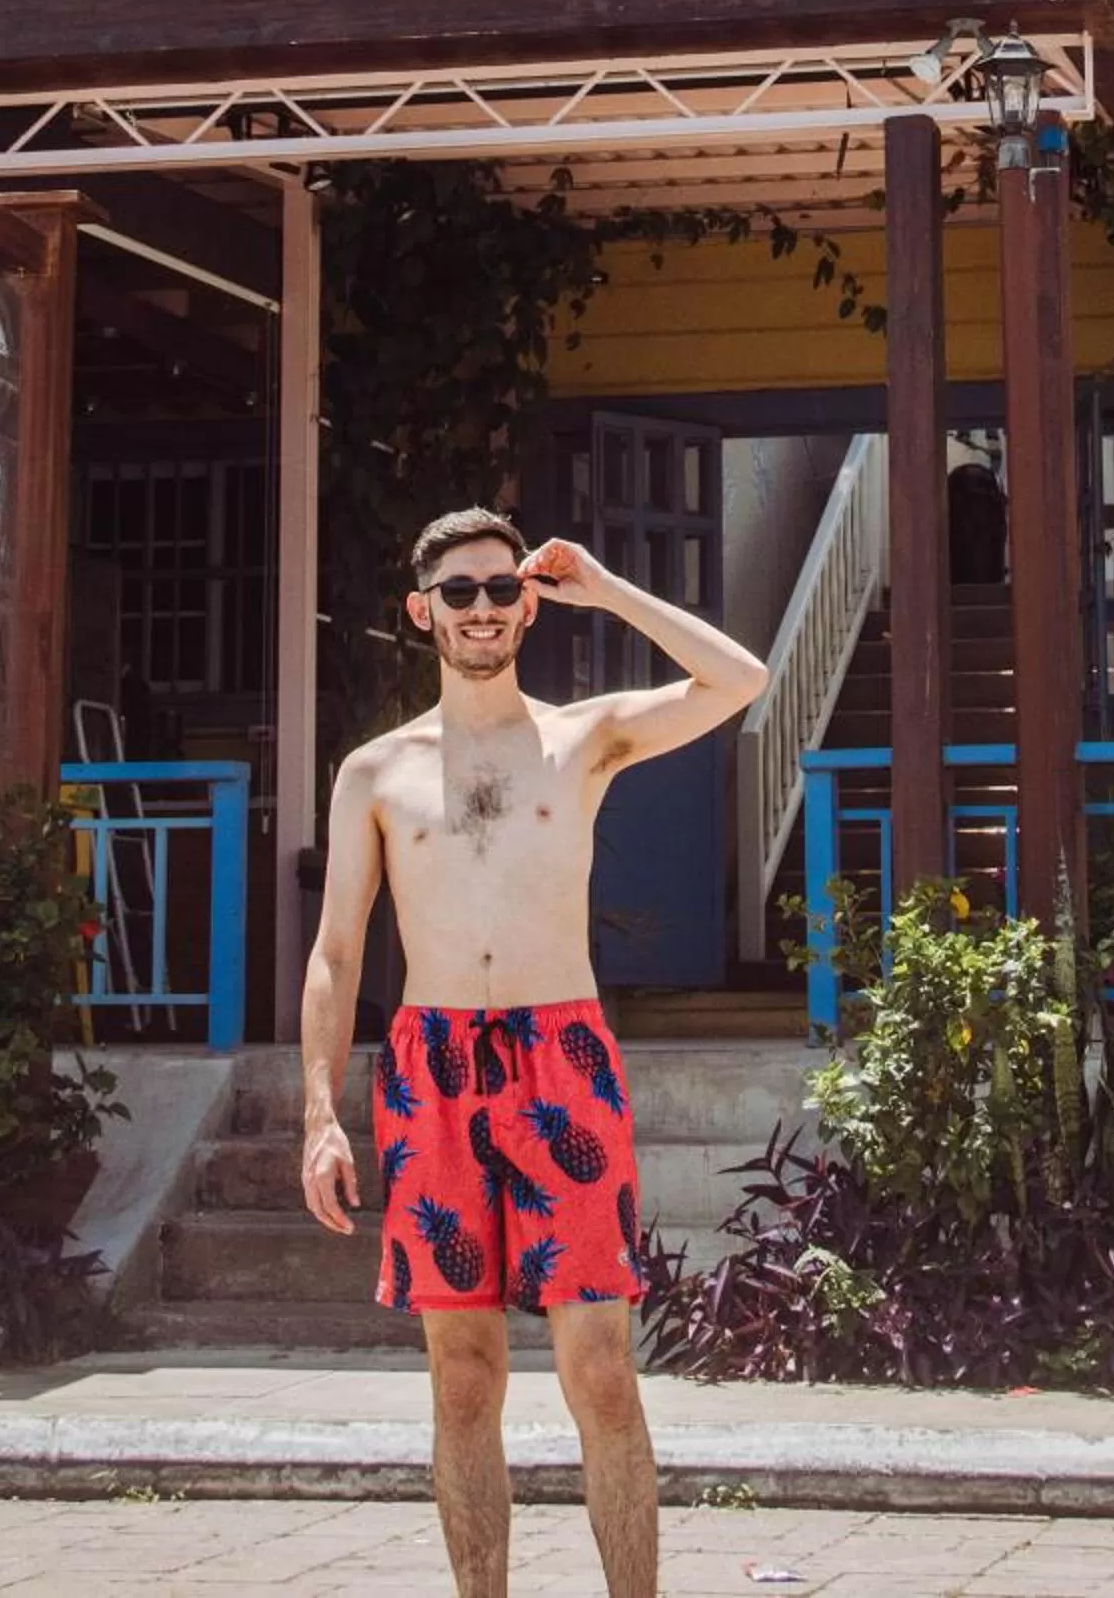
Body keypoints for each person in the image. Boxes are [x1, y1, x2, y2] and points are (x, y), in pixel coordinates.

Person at [299, 505, 769, 1598]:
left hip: (563, 1056)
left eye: (501, 589)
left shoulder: (581, 736)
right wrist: (320, 1113)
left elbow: (736, 678)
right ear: (422, 612)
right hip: (432, 1067)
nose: (482, 609)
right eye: (458, 592)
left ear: (526, 603)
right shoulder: (375, 771)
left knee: (600, 1370)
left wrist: (604, 587)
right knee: (462, 1381)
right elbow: (333, 954)